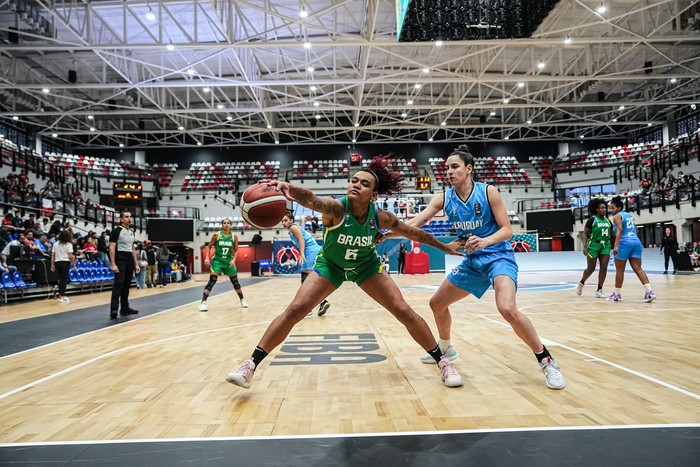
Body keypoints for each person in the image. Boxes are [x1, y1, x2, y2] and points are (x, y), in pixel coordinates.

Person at [226, 157, 464, 390]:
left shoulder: (381, 217)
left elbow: (415, 234)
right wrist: (289, 188)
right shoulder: (337, 208)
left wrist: (446, 248)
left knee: (403, 310)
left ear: (373, 195)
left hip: (366, 266)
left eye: (364, 183)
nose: (356, 185)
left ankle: (442, 361)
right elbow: (311, 200)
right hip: (331, 266)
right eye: (353, 180)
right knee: (296, 310)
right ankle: (249, 366)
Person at [389, 145, 565, 390]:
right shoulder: (443, 198)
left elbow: (507, 230)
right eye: (446, 168)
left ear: (468, 169)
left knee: (507, 308)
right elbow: (416, 223)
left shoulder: (488, 192)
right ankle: (446, 349)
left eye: (454, 167)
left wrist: (485, 240)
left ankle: (546, 359)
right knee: (437, 303)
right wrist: (389, 233)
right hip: (472, 262)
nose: (449, 172)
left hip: (498, 257)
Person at [607, 196, 656, 303]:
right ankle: (650, 292)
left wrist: (615, 246)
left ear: (619, 208)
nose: (610, 210)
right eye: (609, 208)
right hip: (636, 241)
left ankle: (617, 295)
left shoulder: (616, 217)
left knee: (620, 270)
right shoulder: (629, 216)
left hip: (624, 242)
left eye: (612, 208)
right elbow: (636, 230)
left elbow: (620, 230)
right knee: (638, 268)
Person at [281, 211, 329, 316]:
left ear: (291, 220)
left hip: (310, 251)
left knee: (306, 279)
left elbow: (301, 239)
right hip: (313, 250)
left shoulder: (293, 227)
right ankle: (321, 302)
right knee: (309, 279)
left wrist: (301, 253)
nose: (283, 223)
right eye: (282, 221)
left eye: (285, 220)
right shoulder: (292, 229)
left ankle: (308, 307)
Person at [198, 218, 249, 311]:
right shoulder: (216, 235)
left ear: (230, 225)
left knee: (235, 282)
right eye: (224, 223)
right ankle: (203, 302)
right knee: (212, 280)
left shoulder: (234, 236)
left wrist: (234, 260)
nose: (226, 224)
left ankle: (242, 299)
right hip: (217, 261)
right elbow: (209, 246)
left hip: (228, 261)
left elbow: (237, 250)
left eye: (228, 223)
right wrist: (206, 258)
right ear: (222, 225)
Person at [575, 199, 612, 298]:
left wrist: (616, 244)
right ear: (597, 209)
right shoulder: (592, 220)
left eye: (605, 208)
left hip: (605, 245)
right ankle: (582, 282)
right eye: (602, 208)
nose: (604, 210)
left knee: (604, 267)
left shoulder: (608, 221)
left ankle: (599, 290)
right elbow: (585, 234)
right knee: (591, 268)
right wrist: (585, 246)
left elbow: (612, 234)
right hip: (593, 245)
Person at [108, 211, 140, 319]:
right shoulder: (116, 231)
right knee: (119, 283)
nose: (129, 219)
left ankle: (125, 308)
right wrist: (113, 264)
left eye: (130, 217)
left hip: (129, 259)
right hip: (120, 259)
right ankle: (113, 309)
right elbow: (112, 247)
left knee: (127, 285)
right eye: (126, 217)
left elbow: (132, 248)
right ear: (121, 219)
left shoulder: (131, 232)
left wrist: (136, 264)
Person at [50, 230, 78, 304]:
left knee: (60, 279)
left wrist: (52, 264)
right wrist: (74, 265)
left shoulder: (56, 244)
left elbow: (53, 254)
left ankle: (60, 295)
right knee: (64, 280)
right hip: (65, 262)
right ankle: (62, 296)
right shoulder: (68, 244)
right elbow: (70, 256)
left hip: (57, 262)